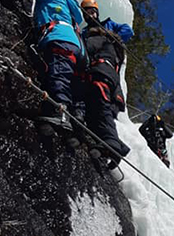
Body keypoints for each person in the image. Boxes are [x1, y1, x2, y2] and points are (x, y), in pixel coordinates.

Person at [80, 0, 133, 167]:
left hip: (106, 70)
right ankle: (116, 147)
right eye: (87, 12)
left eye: (93, 11)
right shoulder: (85, 32)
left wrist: (111, 35)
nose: (91, 14)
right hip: (101, 72)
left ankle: (112, 145)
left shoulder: (108, 24)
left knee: (102, 104)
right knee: (100, 109)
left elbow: (127, 31)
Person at [33, 0, 86, 137]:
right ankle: (62, 118)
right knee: (60, 75)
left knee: (58, 74)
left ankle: (61, 112)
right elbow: (79, 17)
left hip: (60, 36)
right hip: (71, 41)